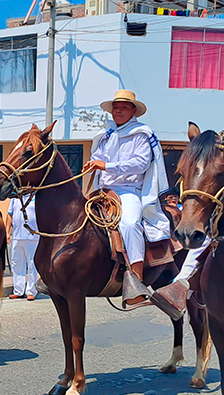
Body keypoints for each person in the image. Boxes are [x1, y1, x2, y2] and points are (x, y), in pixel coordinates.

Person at [83, 90, 170, 306]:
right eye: (115, 106)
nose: (118, 110)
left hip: (128, 190)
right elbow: (98, 159)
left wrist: (107, 166)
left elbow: (141, 164)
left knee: (130, 224)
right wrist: (94, 163)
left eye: (123, 106)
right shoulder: (105, 135)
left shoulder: (141, 134)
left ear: (133, 110)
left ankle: (136, 287)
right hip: (103, 191)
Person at [6, 195, 39, 301]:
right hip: (17, 236)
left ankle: (31, 291)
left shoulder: (36, 197)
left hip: (33, 237)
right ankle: (18, 291)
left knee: (32, 265)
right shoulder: (15, 198)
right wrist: (7, 232)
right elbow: (9, 215)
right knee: (16, 264)